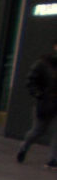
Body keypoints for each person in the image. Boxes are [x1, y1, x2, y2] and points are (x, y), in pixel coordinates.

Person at [17, 38, 57, 169]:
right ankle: (24, 146)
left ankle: (53, 160)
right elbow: (31, 81)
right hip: (46, 103)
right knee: (38, 131)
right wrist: (39, 95)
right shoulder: (43, 64)